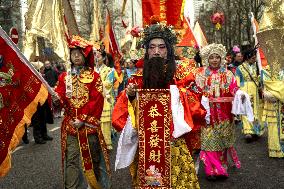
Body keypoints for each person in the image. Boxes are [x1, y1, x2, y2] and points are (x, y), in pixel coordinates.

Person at [112, 23, 202, 188]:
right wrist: (131, 96)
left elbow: (197, 107)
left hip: (173, 144)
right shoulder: (137, 78)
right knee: (151, 182)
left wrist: (178, 94)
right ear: (146, 50)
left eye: (161, 47)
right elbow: (121, 113)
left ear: (168, 50)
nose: (156, 51)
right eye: (152, 47)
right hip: (148, 145)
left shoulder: (182, 74)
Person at [54, 36, 110, 189]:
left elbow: (97, 100)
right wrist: (55, 100)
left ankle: (94, 186)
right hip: (71, 126)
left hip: (89, 126)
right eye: (73, 53)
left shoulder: (95, 77)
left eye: (79, 53)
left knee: (93, 159)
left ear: (85, 56)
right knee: (71, 159)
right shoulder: (64, 77)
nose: (76, 56)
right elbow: (59, 97)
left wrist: (83, 120)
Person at [196, 43, 246, 180]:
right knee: (209, 140)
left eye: (217, 57)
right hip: (207, 114)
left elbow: (234, 88)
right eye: (211, 57)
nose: (214, 60)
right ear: (207, 59)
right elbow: (196, 91)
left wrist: (240, 93)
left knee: (222, 141)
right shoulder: (200, 74)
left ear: (221, 58)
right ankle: (211, 170)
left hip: (225, 113)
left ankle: (221, 166)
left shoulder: (228, 73)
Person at [236, 48, 264, 142]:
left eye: (255, 56)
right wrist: (240, 92)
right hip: (245, 90)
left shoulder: (257, 67)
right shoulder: (240, 68)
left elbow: (259, 80)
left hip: (255, 91)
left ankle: (256, 130)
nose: (254, 57)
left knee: (256, 110)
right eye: (252, 56)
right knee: (246, 110)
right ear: (247, 57)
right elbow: (237, 81)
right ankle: (248, 132)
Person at [95, 49, 115, 150]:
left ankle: (106, 142)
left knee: (105, 121)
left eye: (98, 56)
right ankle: (96, 141)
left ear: (103, 58)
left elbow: (108, 84)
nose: (96, 58)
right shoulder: (91, 70)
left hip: (104, 97)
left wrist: (95, 83)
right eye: (94, 56)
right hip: (93, 99)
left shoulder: (109, 70)